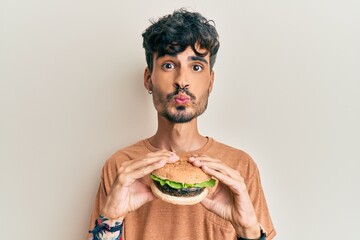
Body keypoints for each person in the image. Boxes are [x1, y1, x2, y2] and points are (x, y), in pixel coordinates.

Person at [87, 8, 276, 240]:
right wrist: (111, 220)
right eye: (168, 65)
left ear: (211, 82)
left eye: (196, 67)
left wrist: (248, 230)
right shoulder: (121, 168)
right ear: (148, 78)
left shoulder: (240, 167)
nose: (182, 81)